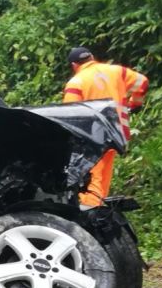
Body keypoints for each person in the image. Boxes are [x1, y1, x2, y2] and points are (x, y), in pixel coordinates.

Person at [63, 46, 149, 207]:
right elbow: (142, 82)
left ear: (74, 65)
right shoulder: (117, 72)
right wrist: (135, 103)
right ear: (92, 57)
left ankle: (91, 209)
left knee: (92, 176)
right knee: (104, 174)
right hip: (116, 132)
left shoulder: (77, 82)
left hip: (92, 135)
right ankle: (100, 205)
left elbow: (70, 115)